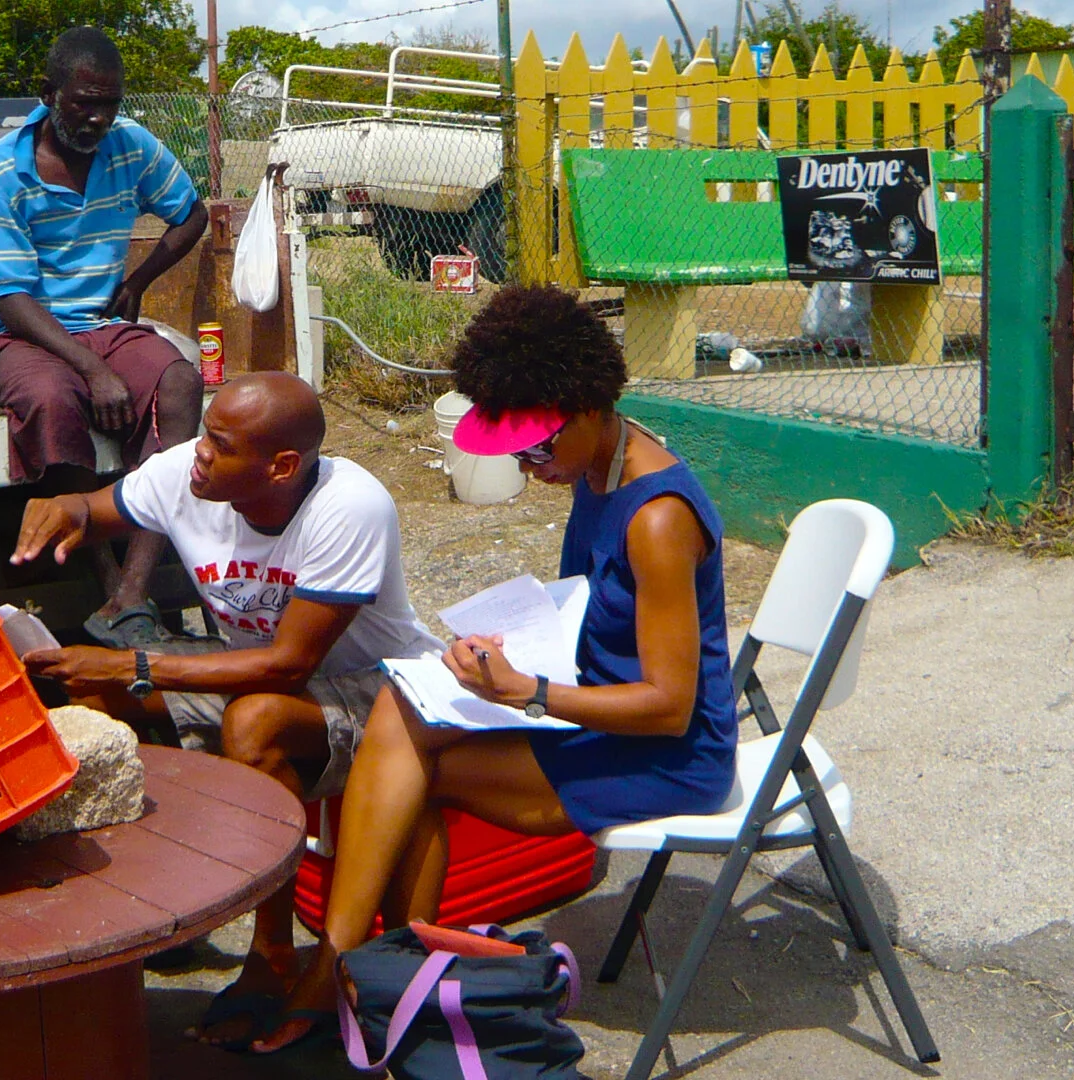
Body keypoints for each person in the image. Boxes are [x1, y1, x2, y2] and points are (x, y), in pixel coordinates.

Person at [251, 284, 740, 1054]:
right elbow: (598, 611)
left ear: (587, 406)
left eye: (536, 447)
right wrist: (516, 651)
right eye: (516, 450)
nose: (527, 464)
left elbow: (671, 707)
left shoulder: (655, 519)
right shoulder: (599, 464)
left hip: (665, 755)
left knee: (411, 773)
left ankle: (361, 982)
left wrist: (527, 691)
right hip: (596, 708)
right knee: (400, 710)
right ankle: (367, 978)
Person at [10, 371, 444, 1049]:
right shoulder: (186, 473)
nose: (201, 454)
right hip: (263, 679)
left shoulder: (349, 506)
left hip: (381, 694)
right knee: (94, 696)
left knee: (252, 719)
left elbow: (289, 665)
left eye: (222, 445)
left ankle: (271, 952)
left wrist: (135, 664)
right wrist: (66, 510)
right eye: (205, 434)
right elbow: (95, 509)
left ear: (282, 467)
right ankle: (161, 902)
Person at [0, 26, 208, 647]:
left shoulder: (131, 146)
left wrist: (137, 282)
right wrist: (93, 369)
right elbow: (10, 299)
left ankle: (132, 595)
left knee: (181, 383)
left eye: (110, 104)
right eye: (84, 103)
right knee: (54, 398)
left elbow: (191, 214)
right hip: (22, 334)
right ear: (48, 93)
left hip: (101, 325)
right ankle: (106, 583)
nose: (99, 118)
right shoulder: (1, 169)